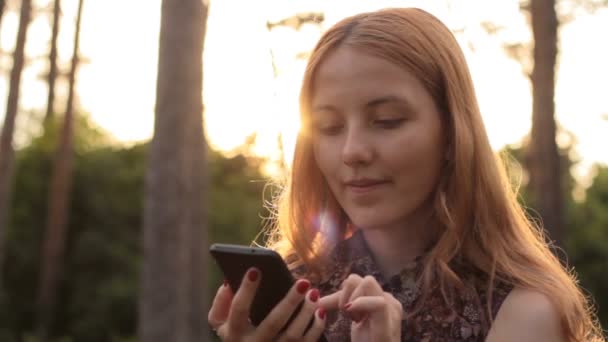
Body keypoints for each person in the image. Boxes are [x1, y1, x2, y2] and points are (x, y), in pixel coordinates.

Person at [208, 7, 604, 341]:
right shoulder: (293, 292)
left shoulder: (521, 312)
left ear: (452, 133)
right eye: (328, 127)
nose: (352, 151)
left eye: (387, 121)